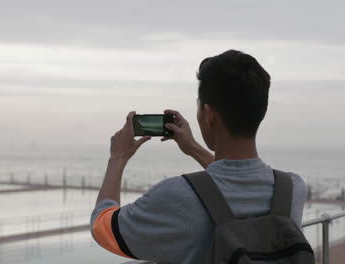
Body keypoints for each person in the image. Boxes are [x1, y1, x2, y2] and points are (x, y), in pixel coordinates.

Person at [90, 49, 308, 264]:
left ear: (209, 114)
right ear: (262, 110)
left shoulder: (177, 197)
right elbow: (236, 182)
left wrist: (117, 158)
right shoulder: (292, 190)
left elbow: (103, 227)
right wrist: (193, 148)